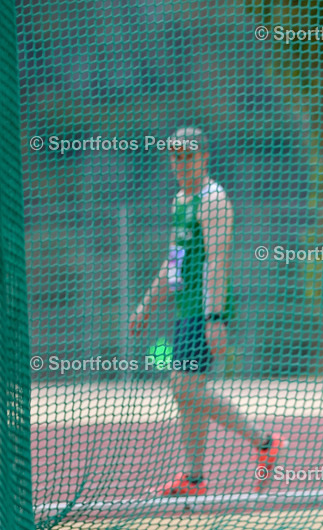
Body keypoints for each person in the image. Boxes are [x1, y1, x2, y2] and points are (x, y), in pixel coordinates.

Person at [129, 126, 285, 496]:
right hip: (187, 309)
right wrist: (146, 306)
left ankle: (263, 441)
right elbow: (174, 262)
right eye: (176, 157)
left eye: (189, 156)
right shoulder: (179, 200)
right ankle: (194, 477)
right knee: (186, 392)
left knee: (182, 387)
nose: (182, 163)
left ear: (204, 157)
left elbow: (217, 261)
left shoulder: (213, 200)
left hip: (206, 309)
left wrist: (214, 318)